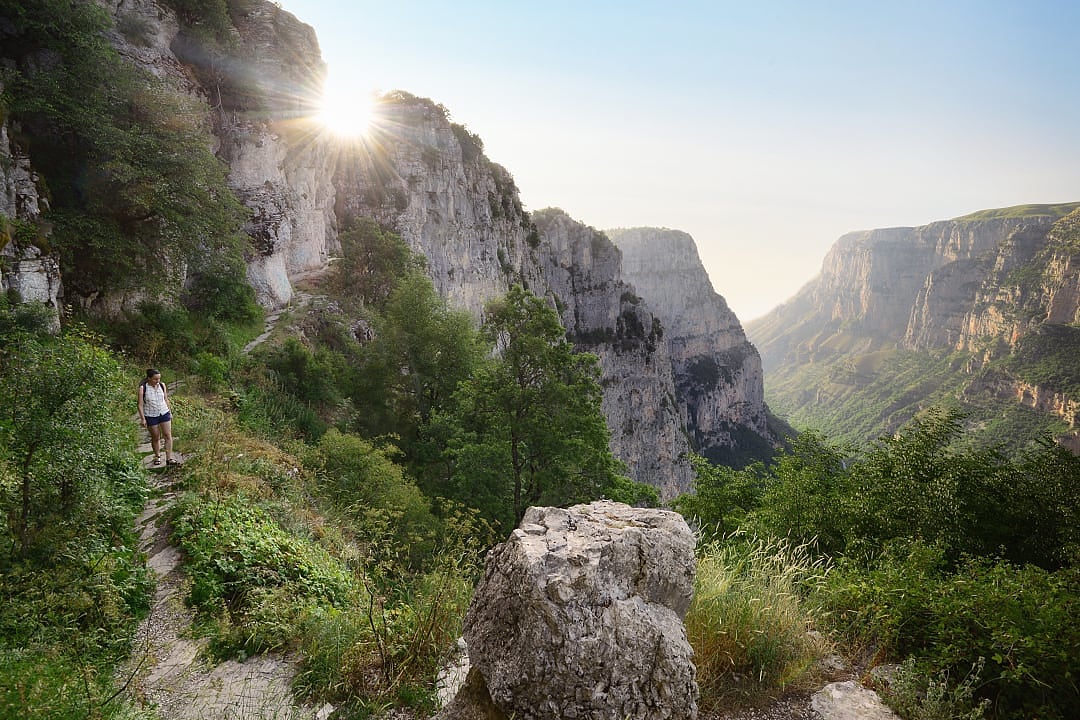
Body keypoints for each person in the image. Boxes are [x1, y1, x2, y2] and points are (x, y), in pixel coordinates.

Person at [138, 368, 177, 466]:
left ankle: (169, 458)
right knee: (155, 437)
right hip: (151, 415)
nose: (157, 381)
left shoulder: (162, 385)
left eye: (159, 379)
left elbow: (166, 399)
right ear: (149, 378)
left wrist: (170, 411)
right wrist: (143, 418)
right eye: (155, 379)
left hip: (164, 412)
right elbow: (140, 404)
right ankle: (157, 456)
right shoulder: (143, 388)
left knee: (168, 435)